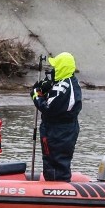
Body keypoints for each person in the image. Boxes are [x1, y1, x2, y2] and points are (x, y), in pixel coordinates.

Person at [31, 51, 82, 181]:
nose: (53, 70)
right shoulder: (69, 82)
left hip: (58, 131)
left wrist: (36, 96)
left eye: (55, 67)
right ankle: (56, 183)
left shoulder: (63, 87)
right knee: (53, 160)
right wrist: (47, 88)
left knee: (55, 161)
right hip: (62, 128)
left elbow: (47, 108)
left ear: (61, 68)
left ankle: (57, 188)